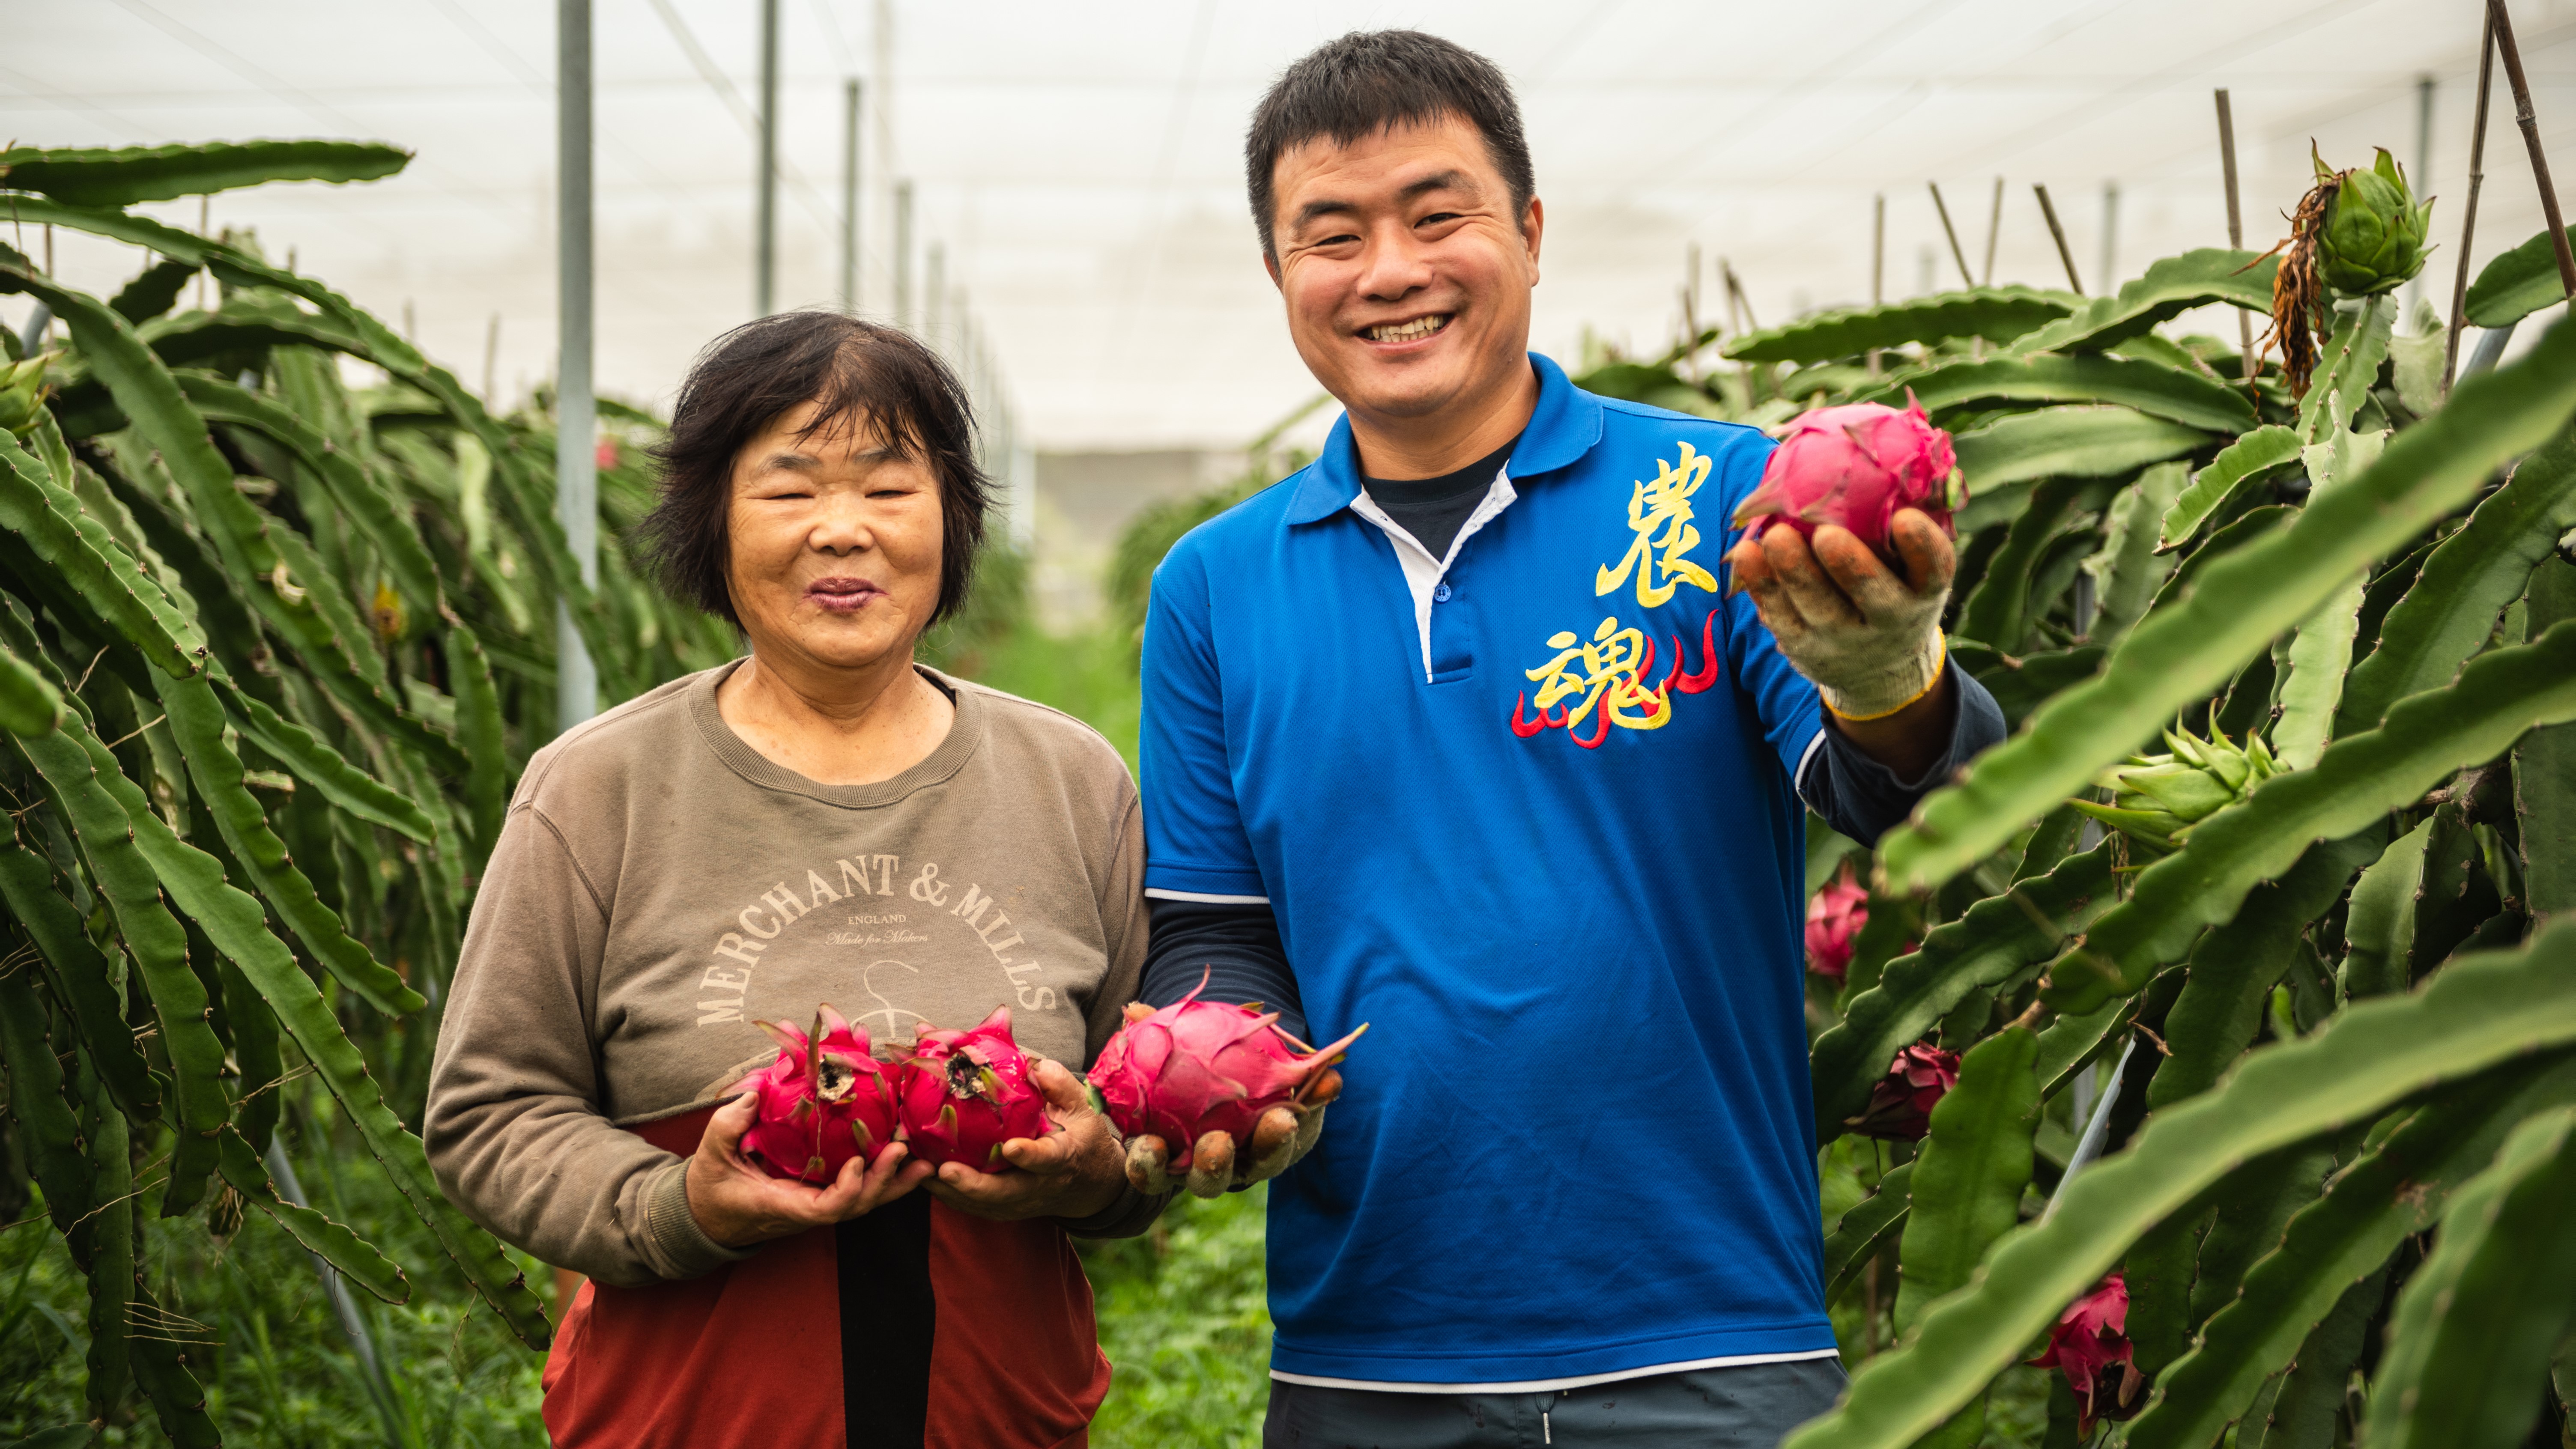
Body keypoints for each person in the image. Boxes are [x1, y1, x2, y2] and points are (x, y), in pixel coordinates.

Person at [1129, 31, 2008, 1447]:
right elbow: (1213, 933)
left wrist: (1886, 670)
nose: (1391, 271)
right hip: (1367, 1353)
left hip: (1712, 1333)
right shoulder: (1216, 586)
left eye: (1439, 215)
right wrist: (1226, 1073)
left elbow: (1913, 794)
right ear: (1282, 274)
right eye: (1332, 235)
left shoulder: (1723, 494)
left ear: (1530, 234)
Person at [426, 313, 1155, 1449]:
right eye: (787, 491)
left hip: (1003, 1415)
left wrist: (1097, 1171)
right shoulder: (597, 789)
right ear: (709, 524)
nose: (841, 532)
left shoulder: (1071, 783)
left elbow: (1133, 1113)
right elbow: (488, 1114)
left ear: (953, 521)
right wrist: (678, 1207)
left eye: (887, 488)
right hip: (686, 1415)